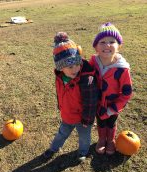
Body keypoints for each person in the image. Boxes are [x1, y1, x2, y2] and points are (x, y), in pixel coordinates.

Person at [43, 32, 98, 162]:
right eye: (70, 66)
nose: (75, 69)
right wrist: (60, 106)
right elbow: (60, 93)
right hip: (67, 115)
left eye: (77, 64)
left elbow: (91, 102)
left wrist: (88, 120)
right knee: (61, 133)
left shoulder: (86, 80)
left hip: (82, 119)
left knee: (84, 137)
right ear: (60, 68)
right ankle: (53, 148)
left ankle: (83, 152)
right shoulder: (60, 77)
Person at [89, 22, 133, 155]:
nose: (107, 45)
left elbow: (127, 93)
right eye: (102, 42)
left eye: (112, 41)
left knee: (111, 122)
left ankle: (111, 140)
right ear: (96, 47)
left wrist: (113, 109)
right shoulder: (93, 63)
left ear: (118, 46)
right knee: (101, 122)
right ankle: (102, 139)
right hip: (98, 103)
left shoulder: (122, 69)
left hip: (113, 104)